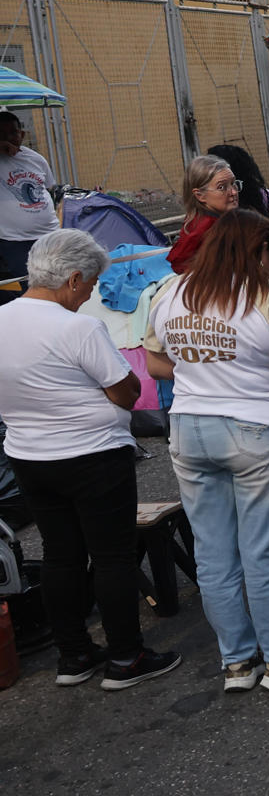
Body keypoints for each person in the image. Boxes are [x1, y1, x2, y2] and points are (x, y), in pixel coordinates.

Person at [143, 210, 269, 693]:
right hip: (255, 429)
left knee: (213, 555)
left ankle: (238, 662)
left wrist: (203, 366)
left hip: (188, 429)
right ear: (258, 250)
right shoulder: (265, 294)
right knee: (263, 553)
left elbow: (156, 364)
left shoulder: (172, 291)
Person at [0, 228, 179, 688]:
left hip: (29, 455)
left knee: (60, 556)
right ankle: (126, 657)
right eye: (93, 283)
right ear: (74, 278)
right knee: (112, 556)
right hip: (93, 454)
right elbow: (125, 391)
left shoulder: (2, 319)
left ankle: (74, 655)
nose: (93, 293)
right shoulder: (77, 326)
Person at [170, 156, 269, 297]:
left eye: (233, 183)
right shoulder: (219, 232)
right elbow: (253, 279)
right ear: (200, 195)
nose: (234, 192)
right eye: (222, 187)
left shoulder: (195, 225)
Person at [0, 111, 57, 304]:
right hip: (15, 241)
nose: (8, 138)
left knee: (56, 282)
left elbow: (50, 188)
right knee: (30, 290)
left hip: (49, 235)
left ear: (22, 135)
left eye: (13, 133)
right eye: (1, 133)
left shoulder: (36, 159)